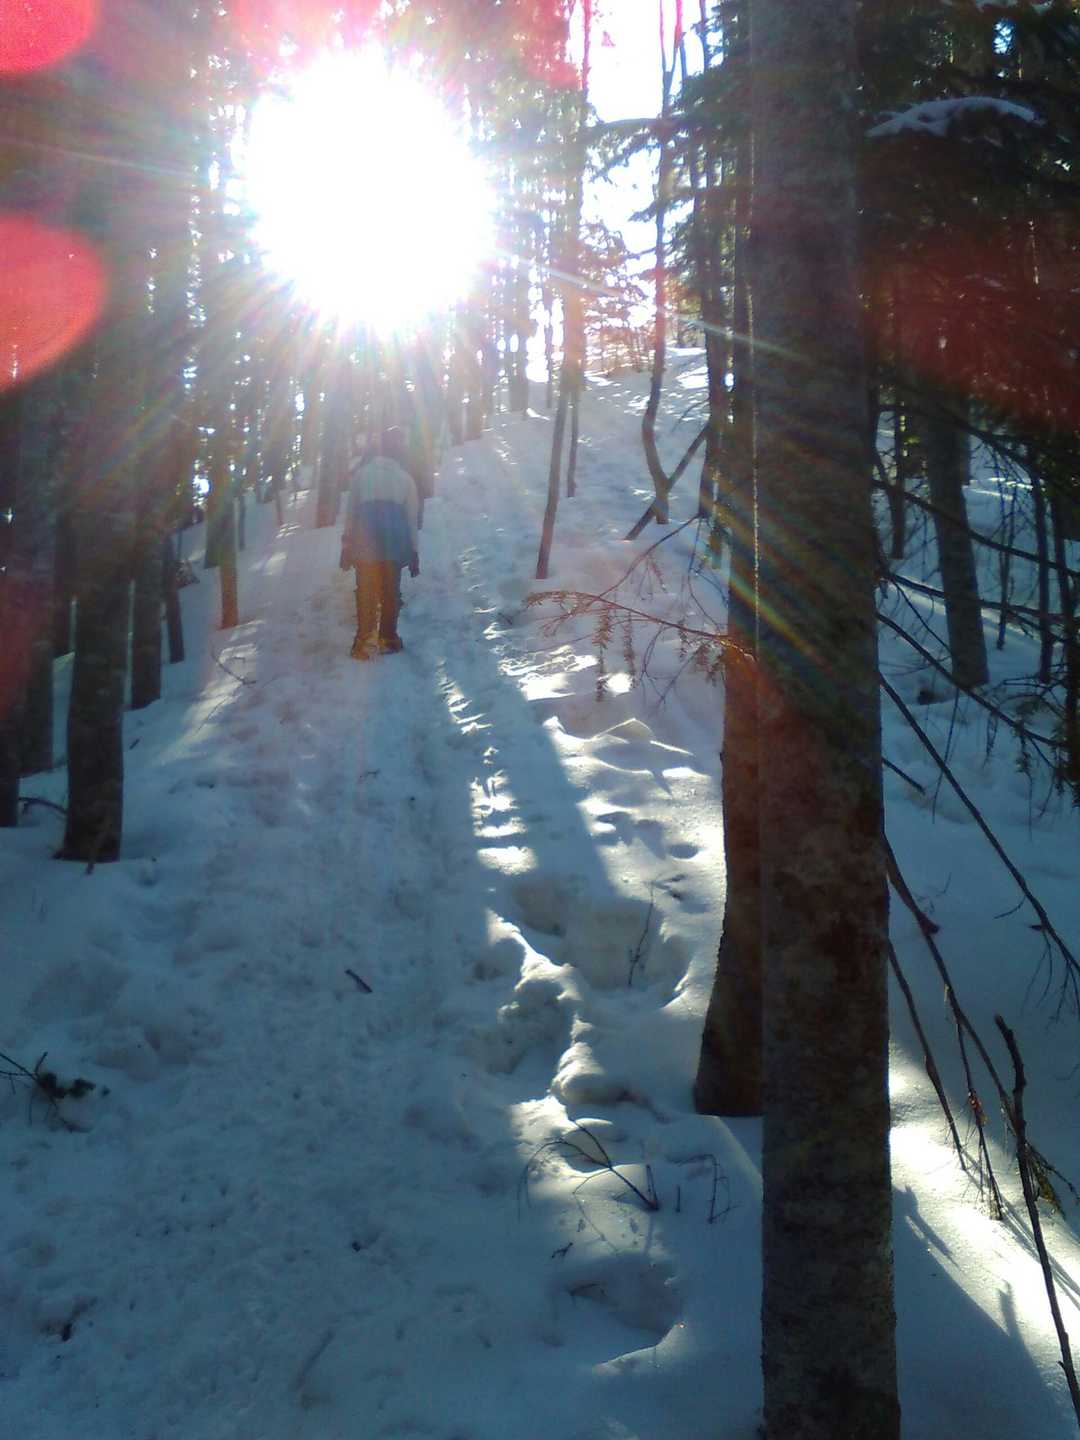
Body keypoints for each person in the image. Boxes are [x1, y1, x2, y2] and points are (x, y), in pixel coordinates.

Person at [339, 427, 420, 659]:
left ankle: (364, 640)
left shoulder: (361, 476)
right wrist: (414, 552)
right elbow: (412, 519)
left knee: (365, 590)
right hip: (394, 543)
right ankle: (388, 639)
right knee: (390, 591)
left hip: (364, 541)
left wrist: (346, 545)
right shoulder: (406, 479)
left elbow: (351, 514)